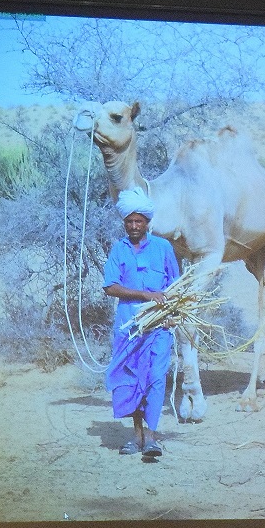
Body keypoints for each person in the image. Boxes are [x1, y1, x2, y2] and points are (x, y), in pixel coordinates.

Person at [103, 185, 181, 456]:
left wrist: (173, 316)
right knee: (131, 381)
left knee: (156, 378)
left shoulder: (163, 248)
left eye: (139, 221)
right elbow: (110, 286)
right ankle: (135, 436)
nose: (134, 225)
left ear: (147, 223)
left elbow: (175, 287)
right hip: (129, 327)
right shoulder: (118, 250)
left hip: (159, 327)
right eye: (130, 221)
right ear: (125, 223)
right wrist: (145, 294)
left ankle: (151, 438)